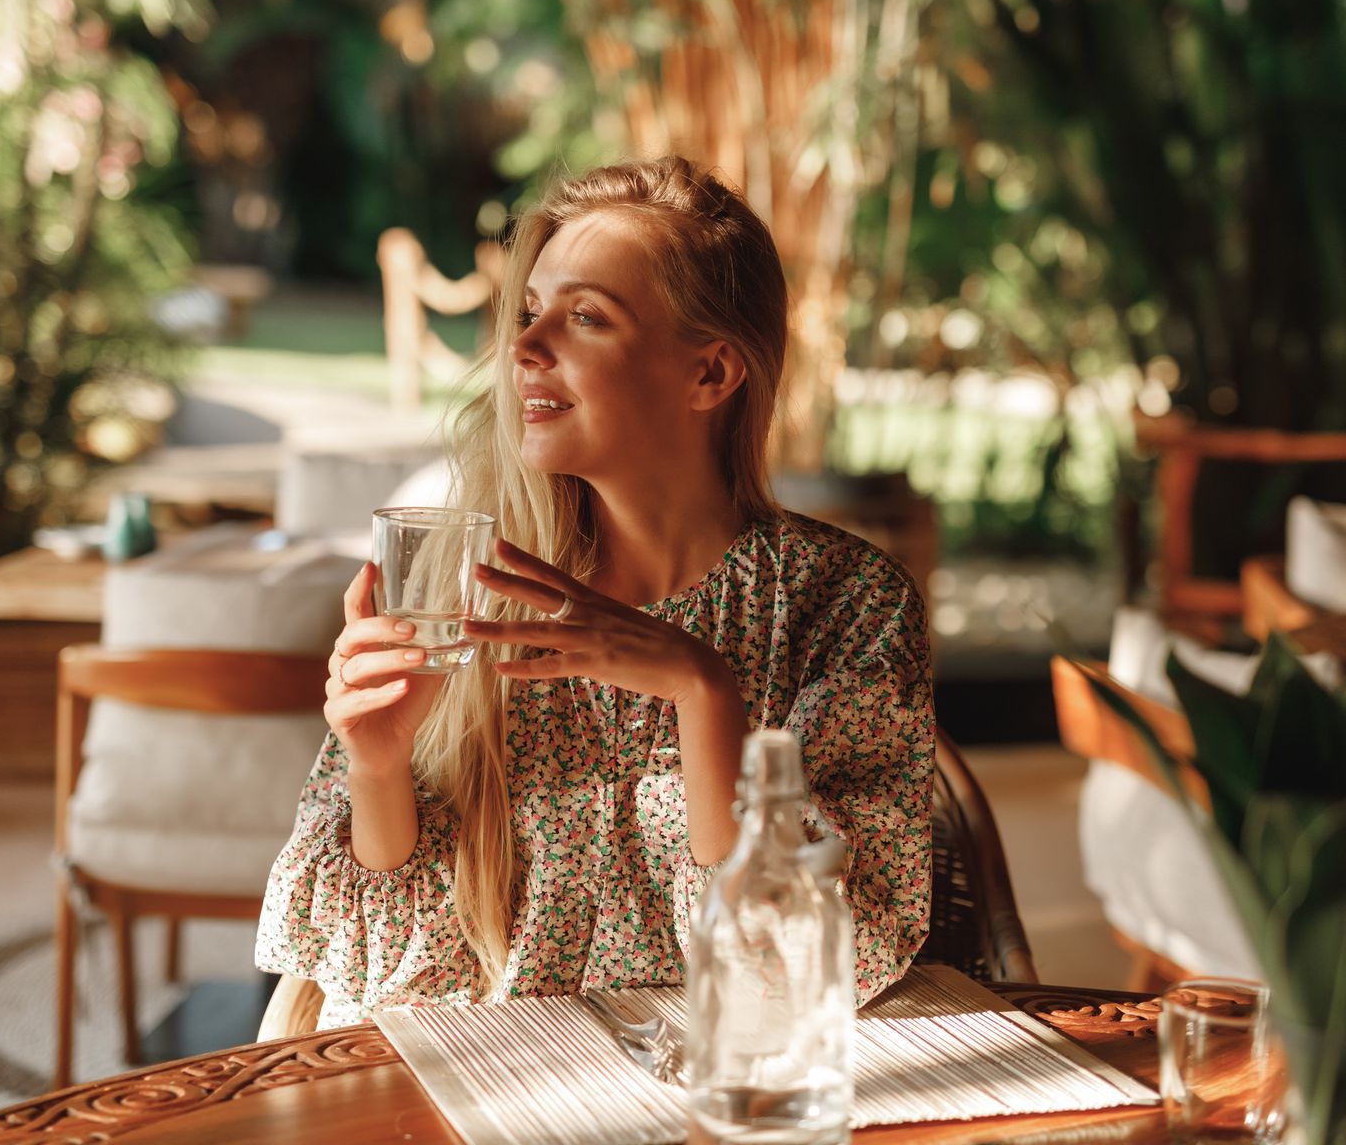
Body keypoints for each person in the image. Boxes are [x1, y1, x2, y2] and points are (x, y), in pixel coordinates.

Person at [256, 156, 933, 1032]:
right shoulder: (463, 578)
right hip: (477, 1079)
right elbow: (383, 959)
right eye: (530, 312)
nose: (524, 348)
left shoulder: (847, 606)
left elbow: (800, 965)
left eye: (584, 317)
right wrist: (378, 763)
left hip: (712, 1086)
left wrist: (704, 692)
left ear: (710, 375)